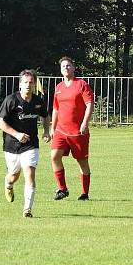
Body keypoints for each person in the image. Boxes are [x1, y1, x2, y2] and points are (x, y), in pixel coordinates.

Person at [0, 69, 51, 218]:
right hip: (11, 145)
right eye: (25, 82)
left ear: (34, 84)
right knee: (14, 175)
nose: (28, 85)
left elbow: (45, 116)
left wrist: (46, 131)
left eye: (31, 82)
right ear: (20, 84)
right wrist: (17, 134)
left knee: (30, 173)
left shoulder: (38, 102)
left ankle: (27, 209)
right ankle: (8, 184)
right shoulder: (11, 100)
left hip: (31, 144)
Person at [50, 56, 94, 201]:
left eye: (68, 65)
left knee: (82, 162)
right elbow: (56, 109)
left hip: (77, 132)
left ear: (74, 68)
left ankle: (84, 193)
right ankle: (62, 189)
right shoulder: (59, 87)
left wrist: (85, 122)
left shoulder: (81, 84)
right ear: (60, 70)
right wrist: (52, 126)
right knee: (54, 156)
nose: (66, 68)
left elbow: (89, 104)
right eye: (63, 66)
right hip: (61, 131)